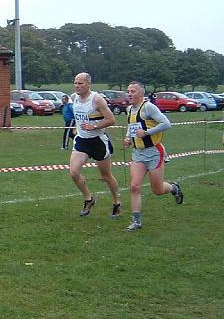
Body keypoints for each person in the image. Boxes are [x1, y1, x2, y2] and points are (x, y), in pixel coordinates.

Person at [122, 80, 183, 231]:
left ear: (141, 92)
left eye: (133, 91)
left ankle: (174, 188)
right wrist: (128, 137)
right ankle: (136, 221)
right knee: (134, 186)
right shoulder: (129, 109)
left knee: (157, 190)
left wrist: (147, 133)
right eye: (128, 91)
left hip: (154, 152)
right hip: (138, 153)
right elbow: (131, 127)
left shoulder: (149, 107)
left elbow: (166, 123)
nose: (130, 94)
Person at [69, 72, 121, 218]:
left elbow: (111, 120)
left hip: (98, 141)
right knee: (74, 172)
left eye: (80, 83)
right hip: (82, 141)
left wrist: (95, 126)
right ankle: (89, 199)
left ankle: (117, 202)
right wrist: (77, 128)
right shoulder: (74, 98)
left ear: (88, 84)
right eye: (75, 83)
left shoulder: (97, 99)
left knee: (106, 176)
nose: (77, 86)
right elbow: (79, 118)